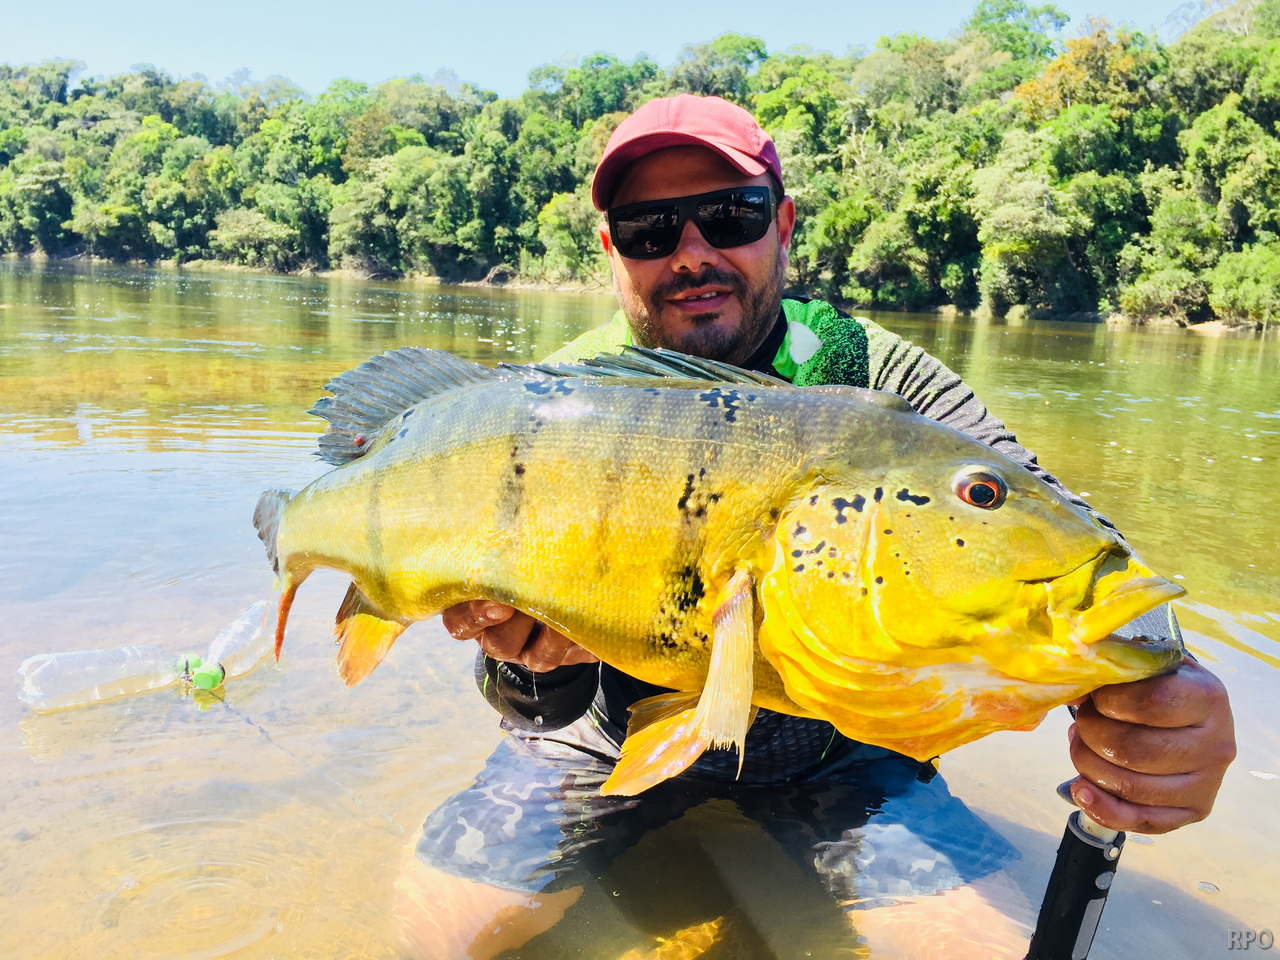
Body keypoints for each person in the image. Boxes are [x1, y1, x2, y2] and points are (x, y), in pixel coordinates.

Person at [395, 95, 1236, 959]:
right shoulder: (548, 406)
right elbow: (521, 699)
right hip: (603, 740)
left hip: (841, 755)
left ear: (784, 224)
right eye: (651, 230)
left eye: (731, 215)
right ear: (612, 252)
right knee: (439, 935)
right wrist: (530, 662)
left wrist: (1172, 690)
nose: (692, 253)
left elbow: (1058, 530)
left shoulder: (883, 389)